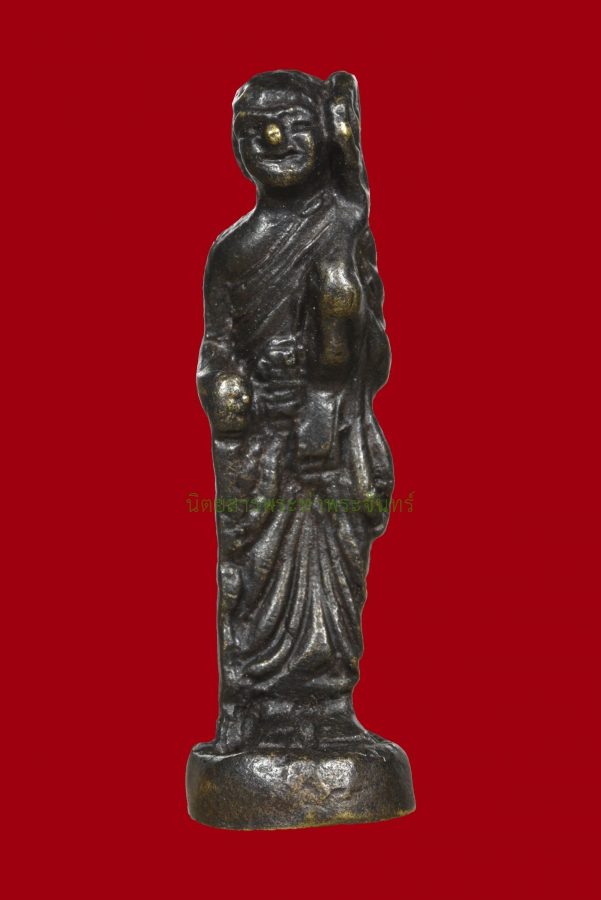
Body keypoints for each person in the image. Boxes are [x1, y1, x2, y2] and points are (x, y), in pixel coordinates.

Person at [197, 70, 393, 753]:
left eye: (292, 124)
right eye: (255, 129)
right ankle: (257, 709)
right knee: (254, 580)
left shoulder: (342, 226)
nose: (274, 138)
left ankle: (328, 710)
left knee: (334, 569)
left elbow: (374, 352)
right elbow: (216, 350)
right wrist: (231, 389)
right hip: (263, 451)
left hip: (329, 441)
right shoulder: (232, 254)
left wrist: (326, 387)